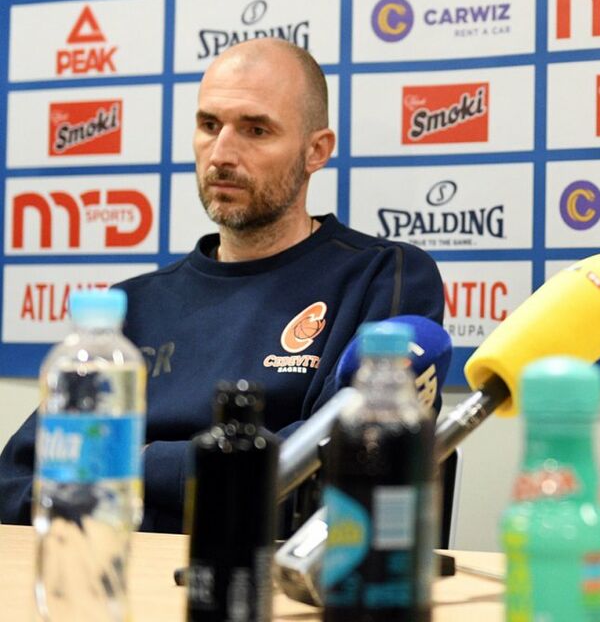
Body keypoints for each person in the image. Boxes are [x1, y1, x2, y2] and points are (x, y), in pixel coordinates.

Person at [0, 38, 444, 532]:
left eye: (256, 130)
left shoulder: (383, 276)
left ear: (316, 150)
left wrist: (130, 465)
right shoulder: (130, 305)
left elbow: (337, 470)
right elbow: (17, 483)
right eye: (209, 125)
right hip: (119, 569)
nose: (222, 154)